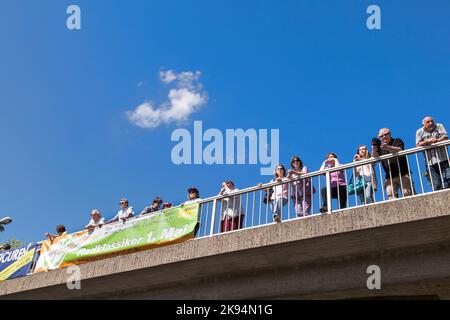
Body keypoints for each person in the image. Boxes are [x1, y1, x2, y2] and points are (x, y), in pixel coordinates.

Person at [372, 128, 415, 199]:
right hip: (389, 177)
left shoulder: (397, 140)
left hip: (403, 174)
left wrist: (387, 147)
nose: (384, 136)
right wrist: (374, 147)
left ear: (390, 134)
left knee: (408, 195)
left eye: (386, 134)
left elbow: (399, 149)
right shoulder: (380, 147)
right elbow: (374, 157)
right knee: (391, 197)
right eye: (381, 136)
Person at [416, 116, 449, 190]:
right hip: (430, 163)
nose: (431, 123)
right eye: (428, 122)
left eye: (432, 121)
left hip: (443, 159)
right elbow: (418, 145)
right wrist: (427, 141)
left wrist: (436, 141)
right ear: (423, 124)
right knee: (436, 185)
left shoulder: (439, 126)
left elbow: (445, 138)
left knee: (448, 181)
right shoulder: (419, 131)